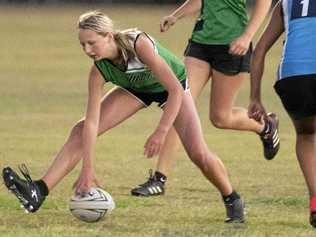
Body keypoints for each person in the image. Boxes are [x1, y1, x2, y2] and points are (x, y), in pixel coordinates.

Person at [2, 10, 245, 223]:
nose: (87, 50)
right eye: (82, 45)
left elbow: (174, 90)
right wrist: (87, 168)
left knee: (198, 153)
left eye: (92, 43)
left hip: (174, 87)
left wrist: (161, 131)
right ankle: (38, 191)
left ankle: (232, 198)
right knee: (81, 128)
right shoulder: (99, 70)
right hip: (135, 89)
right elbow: (93, 122)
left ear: (108, 35)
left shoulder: (139, 45)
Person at [131, 0, 280, 197]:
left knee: (220, 118)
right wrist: (176, 15)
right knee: (179, 106)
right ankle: (159, 179)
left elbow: (264, 3)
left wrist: (247, 36)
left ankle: (265, 126)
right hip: (201, 44)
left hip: (233, 46)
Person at [248, 0, 316, 227]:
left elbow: (259, 51)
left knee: (307, 136)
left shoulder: (285, 3)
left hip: (292, 77)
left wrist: (255, 98)